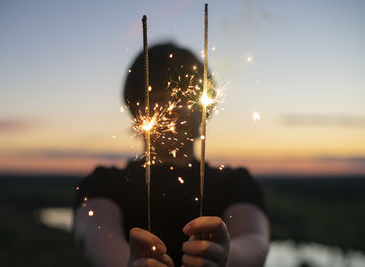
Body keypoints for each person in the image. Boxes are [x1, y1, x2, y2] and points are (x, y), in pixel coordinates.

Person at [74, 43, 270, 267]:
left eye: (185, 96)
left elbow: (255, 241)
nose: (173, 107)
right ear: (136, 108)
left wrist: (226, 257)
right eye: (157, 93)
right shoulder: (103, 184)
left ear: (206, 109)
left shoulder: (236, 184)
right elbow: (94, 236)